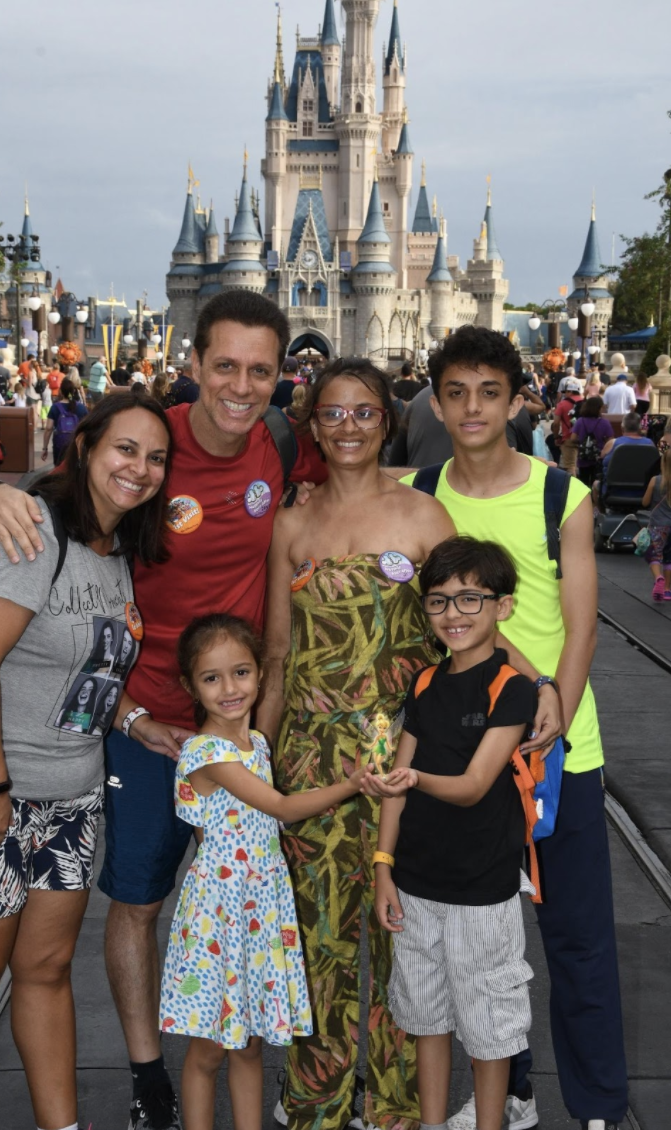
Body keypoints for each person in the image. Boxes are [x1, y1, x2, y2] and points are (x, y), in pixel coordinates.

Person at [0, 289, 327, 1130]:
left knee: (244, 900)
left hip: (239, 727)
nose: (241, 386)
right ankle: (148, 1075)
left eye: (260, 370)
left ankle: (250, 1052)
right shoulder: (157, 441)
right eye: (225, 366)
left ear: (281, 376)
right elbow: (70, 489)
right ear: (195, 363)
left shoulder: (285, 444)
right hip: (142, 722)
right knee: (138, 902)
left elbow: (368, 485)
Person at [0, 390, 176, 1130]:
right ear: (87, 448)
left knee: (46, 971)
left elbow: (83, 668)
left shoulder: (116, 552)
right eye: (125, 449)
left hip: (69, 796)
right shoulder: (32, 532)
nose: (141, 469)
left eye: (156, 457)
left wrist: (135, 720)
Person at [403, 325, 626, 1130]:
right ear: (436, 400)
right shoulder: (420, 493)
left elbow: (582, 623)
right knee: (482, 945)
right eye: (456, 393)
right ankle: (516, 1090)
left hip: (556, 750)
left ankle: (599, 1108)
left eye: (489, 392)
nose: (471, 408)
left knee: (575, 938)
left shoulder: (558, 493)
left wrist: (554, 714)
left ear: (516, 400)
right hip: (465, 757)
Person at [257, 358, 453, 1130]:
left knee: (404, 934)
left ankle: (400, 1103)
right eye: (332, 413)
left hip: (402, 757)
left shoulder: (424, 521)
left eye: (364, 413)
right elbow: (276, 656)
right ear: (310, 423)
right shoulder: (293, 523)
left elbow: (460, 635)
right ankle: (317, 1098)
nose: (348, 427)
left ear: (387, 421)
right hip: (309, 758)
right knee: (319, 940)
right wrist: (253, 768)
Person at [160, 613, 370, 1130]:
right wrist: (354, 783)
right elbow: (281, 808)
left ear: (258, 674)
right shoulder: (205, 753)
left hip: (258, 909)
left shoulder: (257, 745)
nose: (230, 688)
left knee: (250, 1044)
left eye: (241, 672)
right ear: (191, 685)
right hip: (220, 917)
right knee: (210, 1049)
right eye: (212, 678)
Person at [365, 536, 537, 1130]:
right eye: (439, 602)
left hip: (481, 892)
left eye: (470, 599)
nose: (454, 615)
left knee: (490, 1031)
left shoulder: (511, 687)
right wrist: (383, 867)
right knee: (426, 1020)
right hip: (415, 885)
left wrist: (412, 777)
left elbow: (473, 784)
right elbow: (394, 784)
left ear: (502, 607)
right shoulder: (423, 683)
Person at [641, 433, 671, 601]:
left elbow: (645, 503)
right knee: (669, 557)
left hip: (658, 525)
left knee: (653, 554)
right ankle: (667, 589)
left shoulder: (655, 480)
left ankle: (658, 578)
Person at [42, 377, 88, 466]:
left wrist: (45, 448)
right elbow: (88, 427)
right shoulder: (81, 408)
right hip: (76, 444)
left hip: (59, 444)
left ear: (61, 392)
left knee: (59, 467)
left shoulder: (55, 407)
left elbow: (48, 428)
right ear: (74, 391)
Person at [550, 376, 584, 475]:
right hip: (584, 438)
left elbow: (556, 423)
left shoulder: (562, 404)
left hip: (568, 437)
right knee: (583, 465)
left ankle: (574, 488)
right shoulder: (585, 402)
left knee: (570, 466)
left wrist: (556, 437)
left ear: (569, 392)